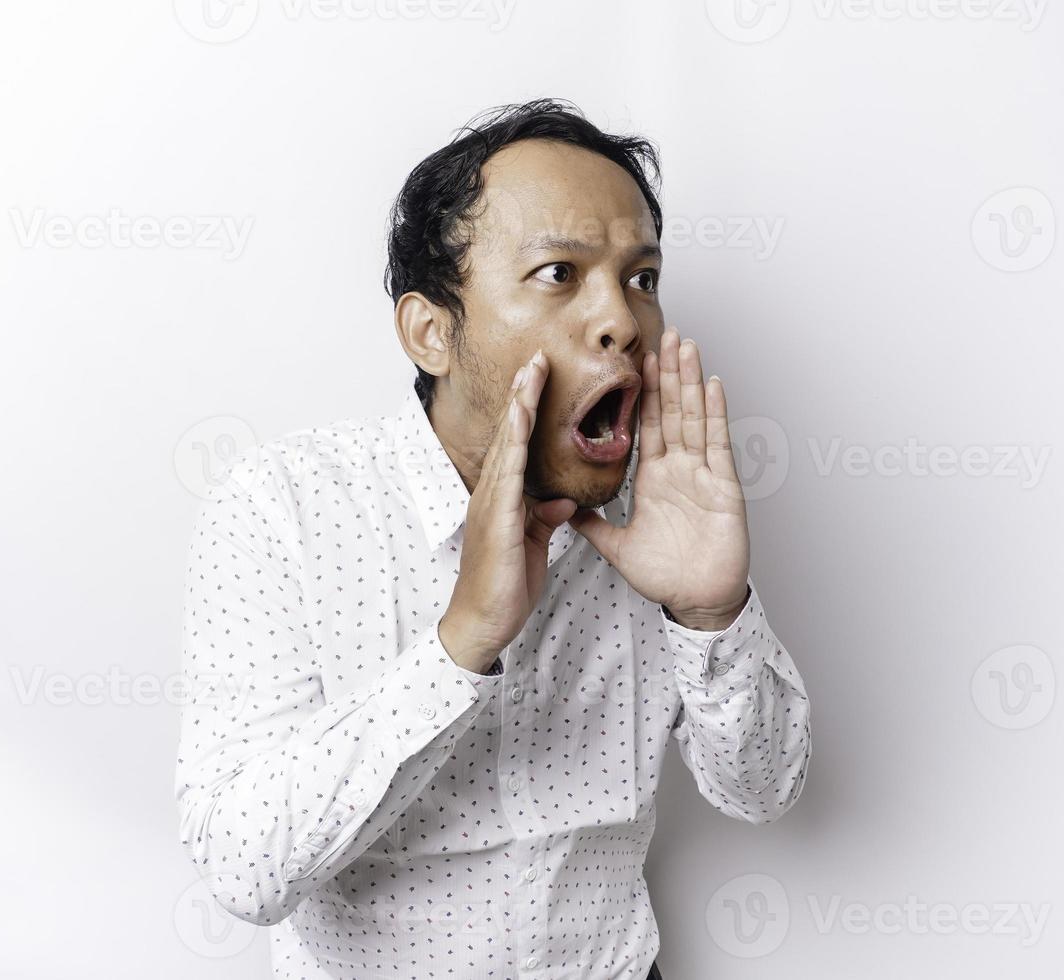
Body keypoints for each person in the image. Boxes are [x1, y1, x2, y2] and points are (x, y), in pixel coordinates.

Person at [175, 98, 812, 979]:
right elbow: (243, 867)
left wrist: (711, 613)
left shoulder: (657, 511)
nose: (623, 322)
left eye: (642, 278)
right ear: (432, 330)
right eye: (559, 272)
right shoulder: (286, 508)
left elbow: (763, 789)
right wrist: (458, 646)